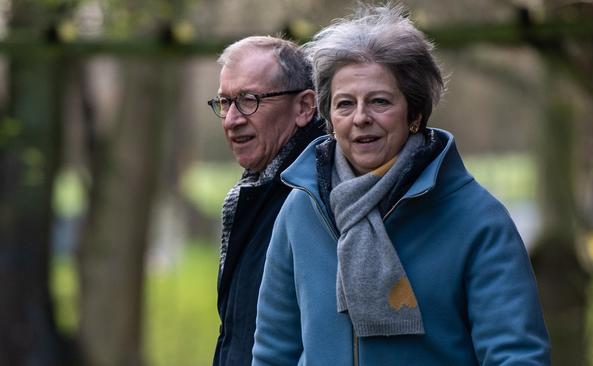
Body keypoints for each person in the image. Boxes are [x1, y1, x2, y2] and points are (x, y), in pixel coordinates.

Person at [252, 4, 550, 365]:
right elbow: (273, 353)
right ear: (329, 118)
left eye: (379, 101)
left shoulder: (478, 220)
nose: (361, 118)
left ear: (414, 114)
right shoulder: (302, 210)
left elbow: (516, 356)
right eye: (345, 104)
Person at [208, 36, 324, 366]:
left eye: (248, 100)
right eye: (225, 102)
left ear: (304, 107)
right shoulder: (260, 191)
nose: (231, 120)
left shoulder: (317, 196)